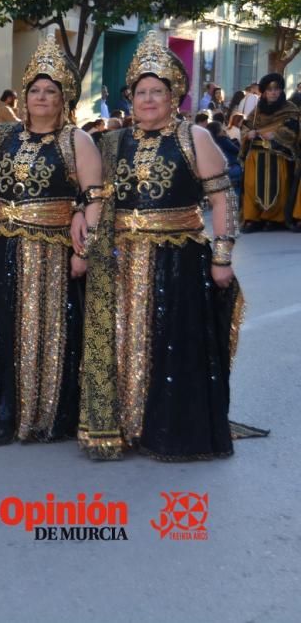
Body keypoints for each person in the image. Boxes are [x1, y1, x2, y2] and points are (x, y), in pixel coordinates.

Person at [76, 31, 243, 460]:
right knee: (119, 341)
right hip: (121, 256)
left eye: (157, 92)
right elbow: (95, 197)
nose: (148, 99)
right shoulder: (111, 142)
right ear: (130, 98)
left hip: (178, 259)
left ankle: (165, 429)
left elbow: (224, 198)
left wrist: (222, 256)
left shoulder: (194, 139)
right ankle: (122, 425)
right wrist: (85, 231)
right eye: (141, 92)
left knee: (172, 344)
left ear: (174, 96)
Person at [0, 32, 101, 445]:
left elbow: (93, 198)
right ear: (23, 94)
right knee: (0, 327)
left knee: (45, 330)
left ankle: (39, 415)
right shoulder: (0, 137)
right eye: (34, 89)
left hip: (50, 253)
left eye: (49, 90)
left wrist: (83, 249)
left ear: (63, 96)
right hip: (0, 248)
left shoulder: (77, 140)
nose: (40, 96)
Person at [239, 72, 301, 232]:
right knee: (252, 186)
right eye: (269, 89)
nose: (273, 92)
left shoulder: (290, 109)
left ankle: (275, 219)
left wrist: (276, 134)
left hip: (277, 155)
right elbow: (245, 125)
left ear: (281, 91)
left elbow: (292, 129)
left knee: (279, 188)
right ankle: (252, 219)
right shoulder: (257, 110)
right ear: (264, 92)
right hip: (256, 155)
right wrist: (248, 134)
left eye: (277, 89)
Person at [207, 121, 243, 195]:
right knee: (234, 194)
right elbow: (237, 150)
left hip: (217, 172)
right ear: (218, 131)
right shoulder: (223, 139)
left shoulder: (208, 142)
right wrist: (228, 138)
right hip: (231, 168)